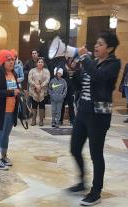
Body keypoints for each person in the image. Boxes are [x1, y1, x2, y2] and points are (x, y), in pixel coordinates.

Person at [67, 31, 121, 206]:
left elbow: (99, 77)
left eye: (100, 44)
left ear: (110, 48)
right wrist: (73, 71)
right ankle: (82, 182)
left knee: (96, 154)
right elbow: (78, 85)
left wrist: (84, 59)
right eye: (96, 43)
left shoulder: (114, 64)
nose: (96, 46)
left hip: (99, 115)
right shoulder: (92, 62)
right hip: (83, 111)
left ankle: (96, 191)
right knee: (74, 148)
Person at [0, 50, 20, 170]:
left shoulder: (14, 74)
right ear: (2, 62)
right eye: (8, 60)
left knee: (6, 135)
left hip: (11, 110)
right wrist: (10, 93)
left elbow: (15, 90)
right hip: (0, 110)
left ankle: (4, 156)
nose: (12, 62)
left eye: (12, 59)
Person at [28, 57, 50, 126]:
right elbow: (29, 79)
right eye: (39, 62)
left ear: (43, 63)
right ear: (36, 63)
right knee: (34, 106)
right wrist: (36, 85)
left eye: (42, 62)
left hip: (43, 91)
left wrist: (41, 86)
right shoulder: (32, 70)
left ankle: (41, 121)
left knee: (42, 106)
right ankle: (33, 120)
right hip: (33, 91)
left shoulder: (46, 71)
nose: (40, 63)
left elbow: (47, 80)